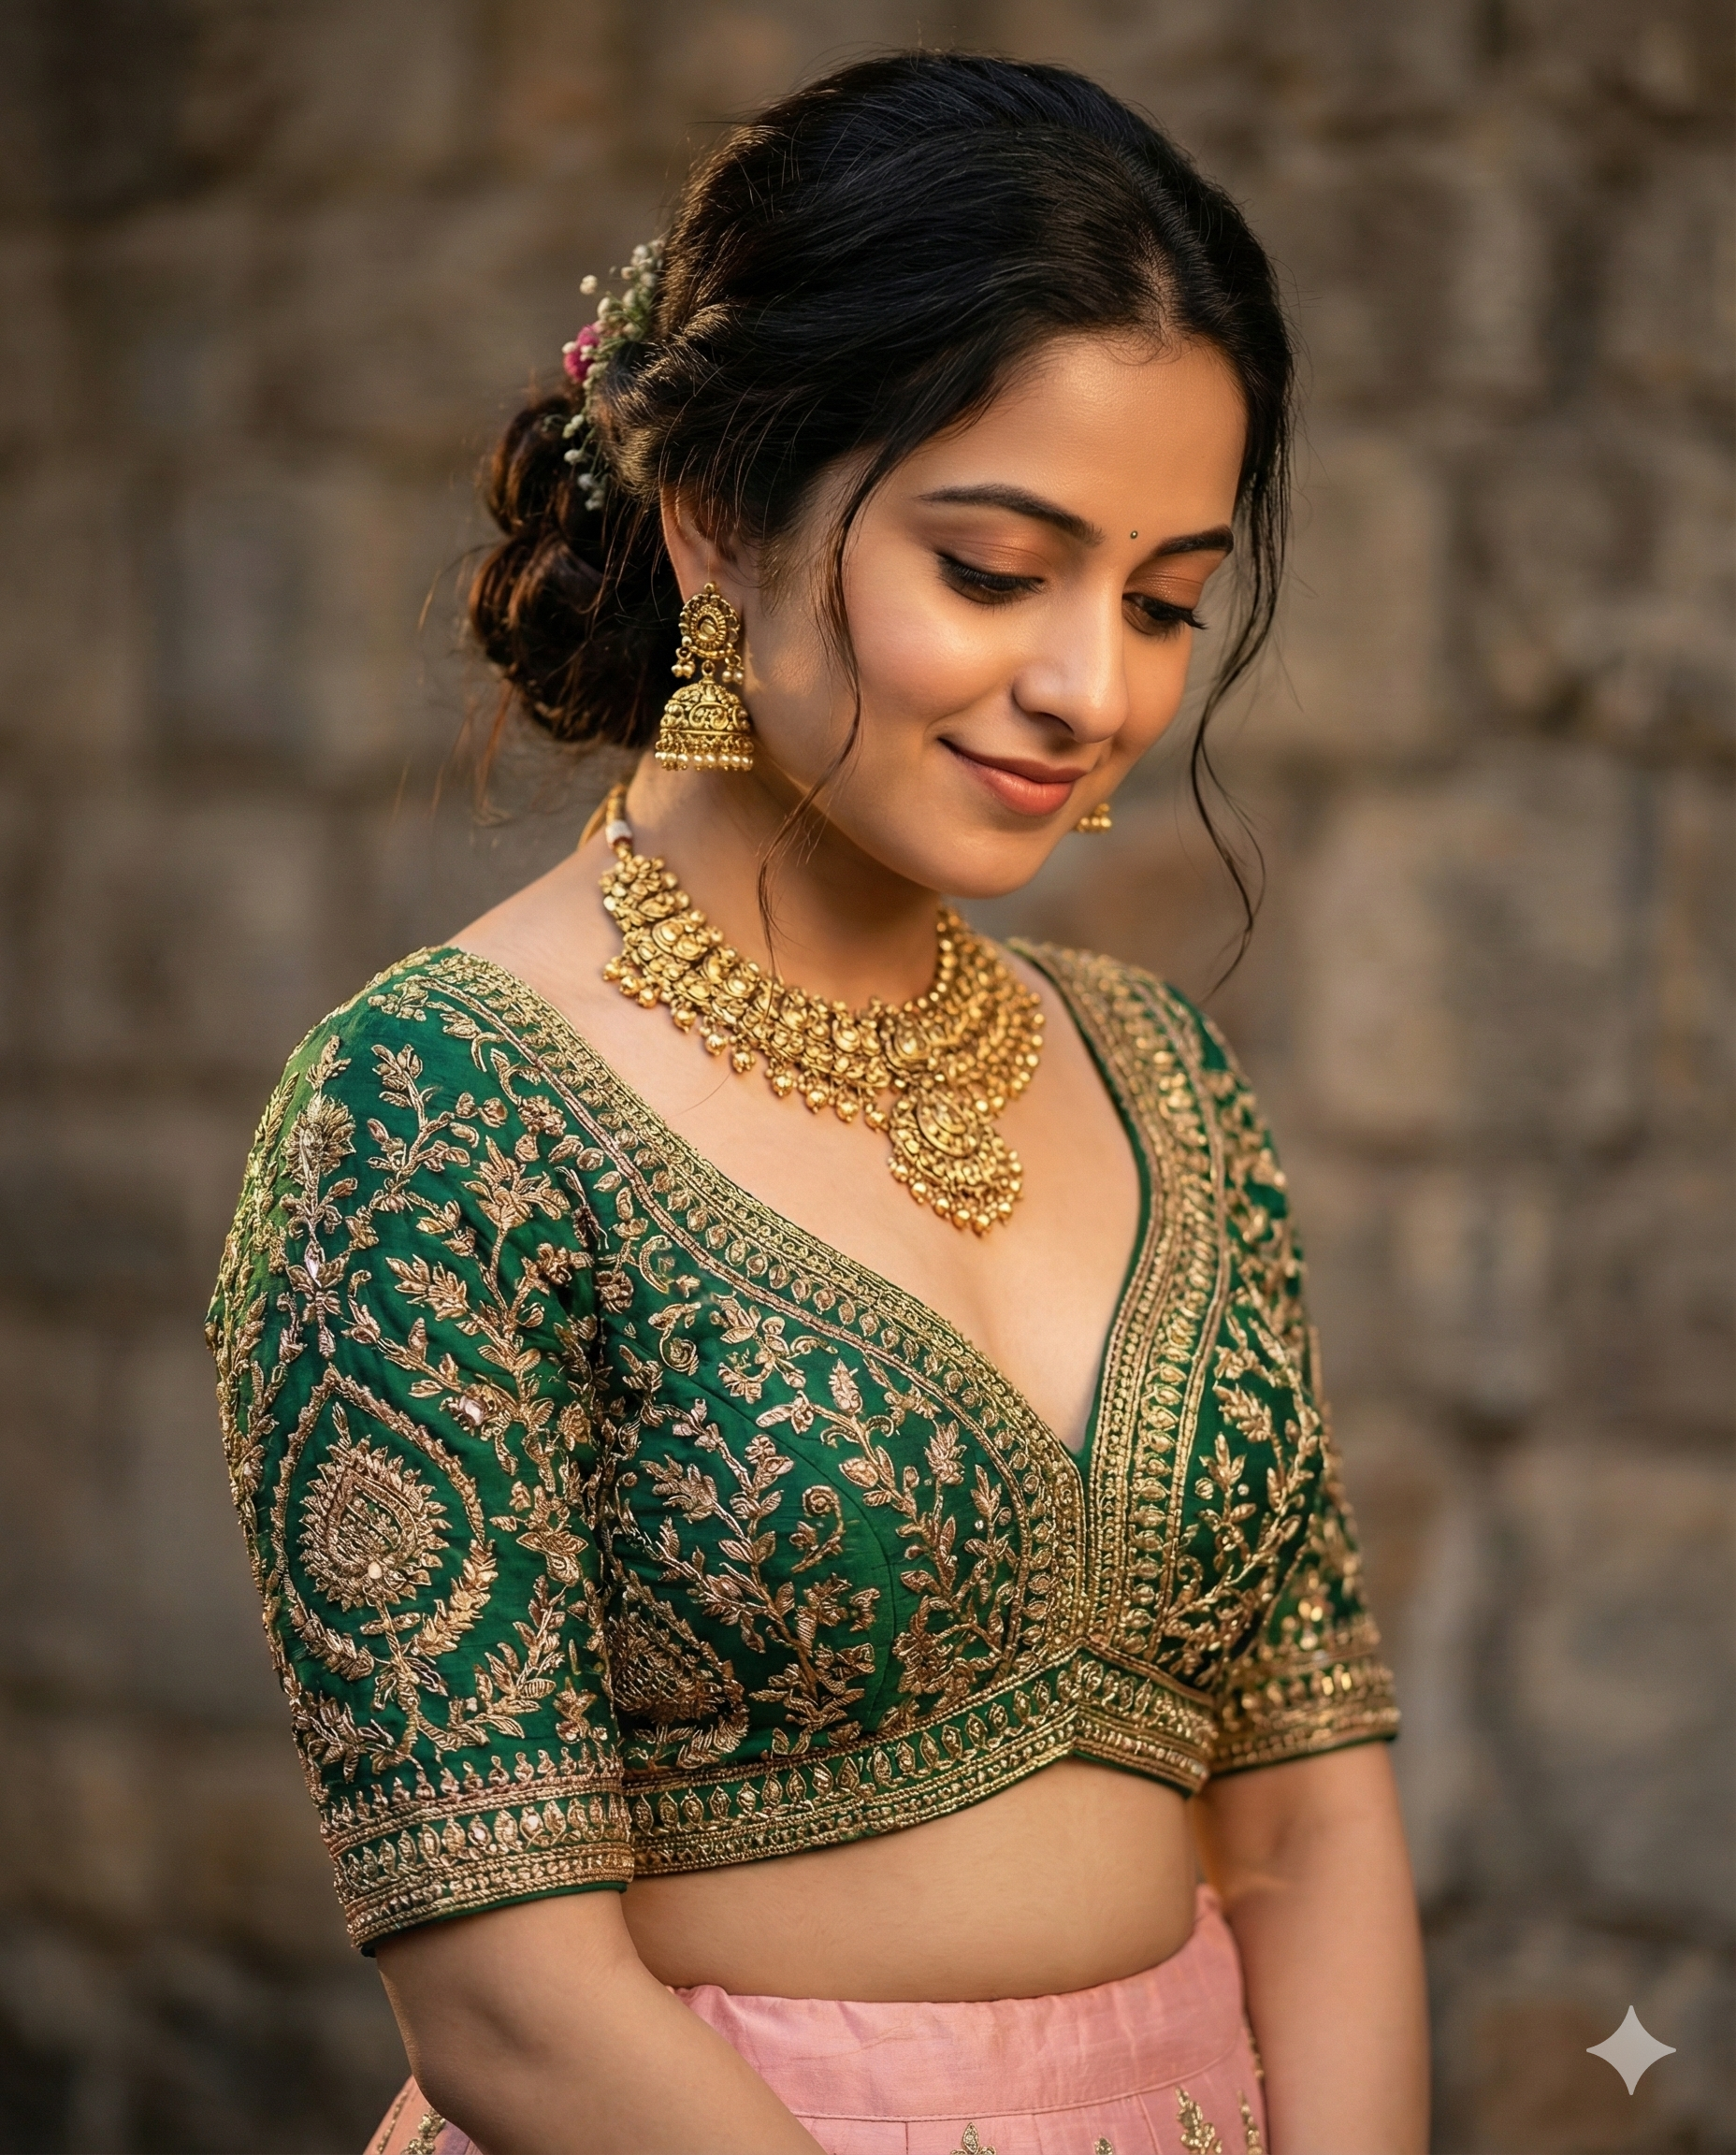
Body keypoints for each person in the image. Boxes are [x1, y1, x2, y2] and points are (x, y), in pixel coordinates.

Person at [207, 51, 1427, 2155]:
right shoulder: (431, 1114)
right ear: (717, 513)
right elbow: (506, 2005)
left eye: (1160, 601)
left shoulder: (1162, 1085)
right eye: (991, 568)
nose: (1093, 688)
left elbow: (1306, 1820)